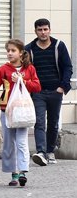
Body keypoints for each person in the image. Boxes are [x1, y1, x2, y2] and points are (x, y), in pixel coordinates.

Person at [0, 39, 41, 187]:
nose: (10, 53)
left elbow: (37, 87)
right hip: (6, 111)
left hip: (22, 111)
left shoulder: (29, 69)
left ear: (20, 53)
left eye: (13, 50)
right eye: (8, 50)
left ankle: (23, 171)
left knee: (22, 142)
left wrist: (22, 80)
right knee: (9, 144)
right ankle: (14, 173)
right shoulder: (3, 70)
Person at [25, 18, 73, 166]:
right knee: (39, 122)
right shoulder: (29, 49)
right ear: (35, 31)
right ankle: (40, 152)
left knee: (53, 123)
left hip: (55, 91)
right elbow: (25, 69)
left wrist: (62, 87)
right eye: (40, 30)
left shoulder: (59, 46)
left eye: (45, 29)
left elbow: (68, 67)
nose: (43, 32)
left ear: (50, 30)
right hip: (38, 92)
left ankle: (50, 151)